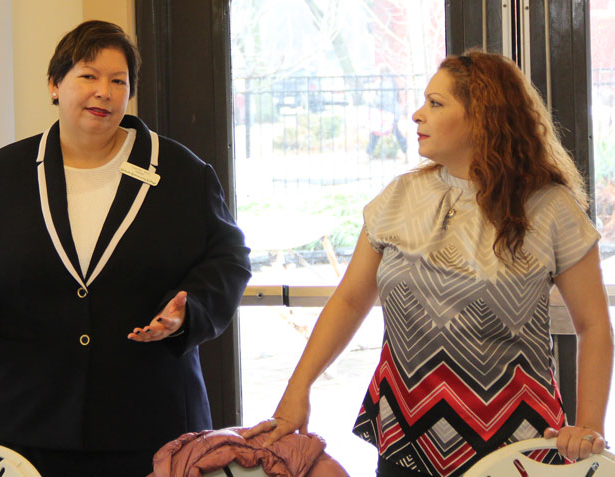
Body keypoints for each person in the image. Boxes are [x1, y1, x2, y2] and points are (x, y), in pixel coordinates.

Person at [0, 20, 251, 476]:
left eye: (118, 81)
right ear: (54, 85)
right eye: (88, 76)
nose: (103, 92)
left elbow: (229, 260)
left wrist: (189, 311)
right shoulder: (2, 174)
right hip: (27, 430)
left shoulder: (182, 173)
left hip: (151, 427)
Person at [243, 50, 613, 476]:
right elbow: (349, 301)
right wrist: (298, 388)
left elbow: (593, 325)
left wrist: (588, 426)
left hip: (517, 448)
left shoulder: (551, 207)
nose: (417, 115)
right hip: (406, 439)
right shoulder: (398, 197)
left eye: (436, 104)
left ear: (483, 117)